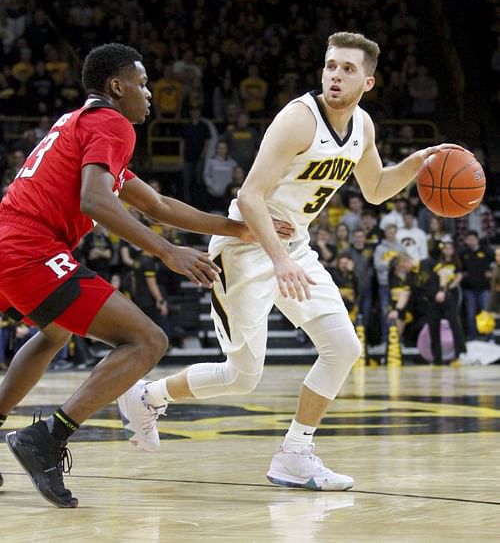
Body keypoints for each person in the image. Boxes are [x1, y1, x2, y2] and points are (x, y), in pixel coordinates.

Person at [122, 31, 456, 491]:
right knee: (241, 378)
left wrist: (414, 165)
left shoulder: (363, 126)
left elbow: (376, 189)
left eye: (348, 69)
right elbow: (250, 196)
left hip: (293, 246)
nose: (336, 75)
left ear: (369, 82)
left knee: (344, 347)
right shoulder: (299, 119)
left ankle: (295, 454)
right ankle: (146, 395)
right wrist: (279, 262)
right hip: (246, 248)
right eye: (331, 65)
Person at [0, 43, 293, 507]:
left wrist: (242, 229)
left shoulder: (83, 123)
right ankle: (47, 439)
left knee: (54, 332)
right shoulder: (112, 123)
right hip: (29, 247)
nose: (150, 93)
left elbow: (159, 205)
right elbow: (94, 201)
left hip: (10, 237)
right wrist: (166, 252)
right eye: (142, 83)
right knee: (147, 341)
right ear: (117, 87)